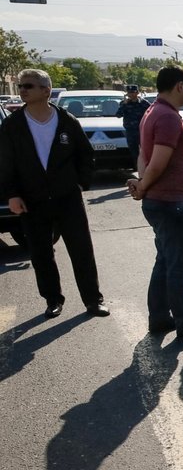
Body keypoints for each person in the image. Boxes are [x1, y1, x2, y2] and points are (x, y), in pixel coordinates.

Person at [0, 69, 110, 318]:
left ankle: (93, 300)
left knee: (81, 250)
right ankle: (53, 299)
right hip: (32, 200)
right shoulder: (12, 125)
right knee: (41, 253)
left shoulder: (66, 120)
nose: (22, 90)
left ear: (46, 90)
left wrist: (81, 184)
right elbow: (5, 163)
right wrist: (12, 194)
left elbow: (86, 154)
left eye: (29, 85)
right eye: (21, 86)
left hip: (67, 197)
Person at [126, 66, 183, 338]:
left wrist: (144, 186)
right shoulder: (166, 116)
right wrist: (144, 185)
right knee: (180, 265)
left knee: (165, 262)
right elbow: (158, 160)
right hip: (172, 203)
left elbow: (143, 155)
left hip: (164, 201)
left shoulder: (151, 112)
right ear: (180, 85)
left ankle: (159, 317)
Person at [116, 84, 150, 170]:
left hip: (142, 131)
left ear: (137, 93)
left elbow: (151, 113)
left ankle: (146, 169)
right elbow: (118, 115)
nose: (131, 94)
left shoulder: (144, 103)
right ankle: (138, 169)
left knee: (145, 151)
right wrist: (124, 104)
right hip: (130, 131)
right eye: (129, 92)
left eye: (133, 92)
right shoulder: (124, 104)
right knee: (134, 152)